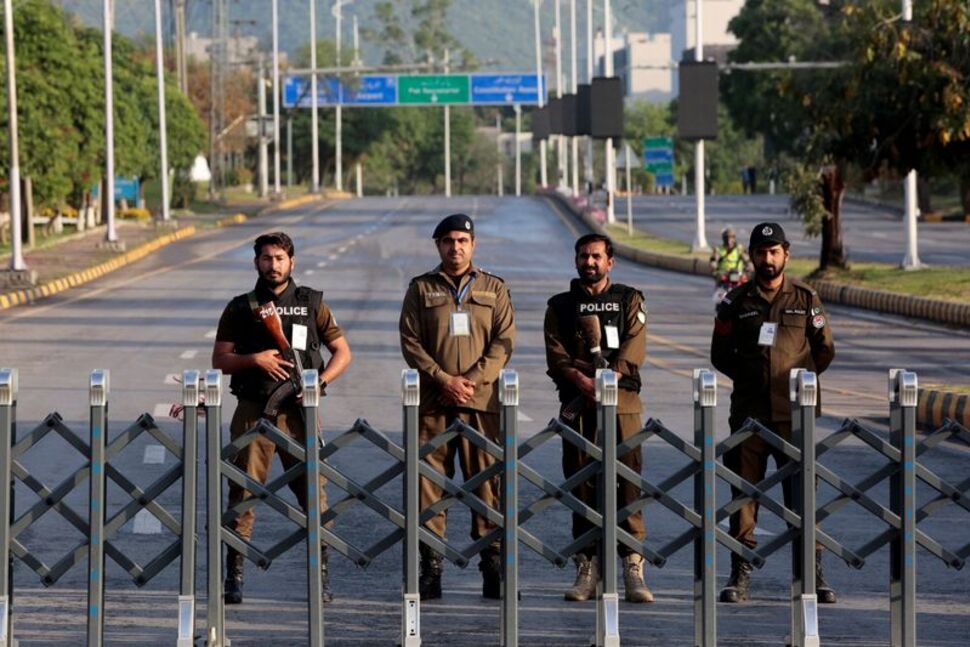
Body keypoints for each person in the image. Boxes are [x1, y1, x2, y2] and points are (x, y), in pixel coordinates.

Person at [212, 231, 352, 605]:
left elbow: (342, 352)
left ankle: (320, 576)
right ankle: (234, 576)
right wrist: (254, 360)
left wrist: (320, 382)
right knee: (242, 492)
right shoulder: (241, 307)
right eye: (266, 258)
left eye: (279, 258)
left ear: (292, 261)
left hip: (299, 412)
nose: (273, 265)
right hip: (254, 409)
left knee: (314, 495)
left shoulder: (311, 303)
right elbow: (220, 360)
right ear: (256, 262)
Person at [710, 222, 836, 604]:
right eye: (762, 252)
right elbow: (720, 354)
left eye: (774, 252)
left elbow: (824, 349)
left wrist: (795, 381)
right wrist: (753, 380)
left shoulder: (806, 298)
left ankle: (810, 575)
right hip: (749, 414)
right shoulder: (735, 302)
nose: (768, 259)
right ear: (752, 255)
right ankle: (740, 573)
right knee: (743, 496)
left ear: (786, 254)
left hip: (795, 414)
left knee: (803, 496)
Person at [399, 213, 515, 600]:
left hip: (481, 404)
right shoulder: (421, 288)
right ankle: (431, 567)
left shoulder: (494, 288)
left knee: (487, 484)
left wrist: (472, 381)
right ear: (438, 245)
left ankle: (493, 567)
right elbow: (410, 341)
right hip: (434, 402)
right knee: (429, 486)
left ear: (473, 244)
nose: (456, 247)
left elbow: (504, 342)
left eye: (463, 241)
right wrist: (443, 379)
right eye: (448, 241)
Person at [544, 233, 653, 604]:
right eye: (583, 256)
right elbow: (556, 354)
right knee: (581, 484)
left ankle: (633, 565)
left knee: (628, 484)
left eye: (596, 256)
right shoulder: (560, 306)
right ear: (575, 260)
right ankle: (586, 566)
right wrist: (582, 381)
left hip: (622, 405)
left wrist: (609, 378)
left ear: (610, 262)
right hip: (579, 405)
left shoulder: (629, 299)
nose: (589, 262)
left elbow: (634, 346)